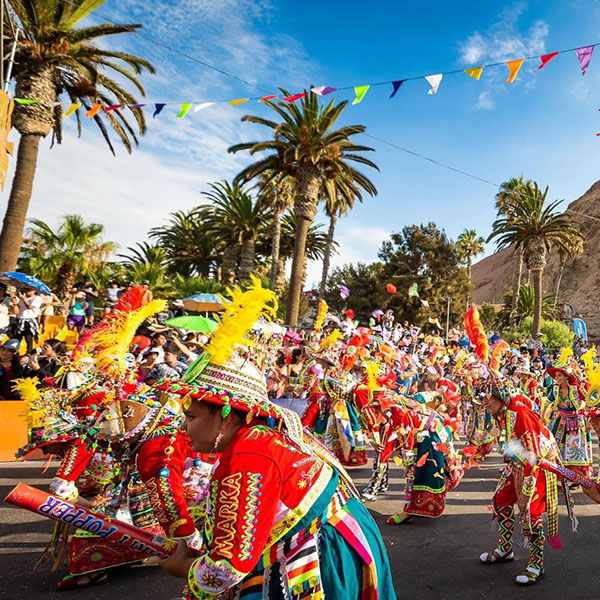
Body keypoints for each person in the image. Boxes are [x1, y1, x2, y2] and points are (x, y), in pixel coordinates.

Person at [157, 278, 396, 600]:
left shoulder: (249, 455)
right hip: (333, 538)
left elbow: (227, 567)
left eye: (191, 417)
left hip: (325, 555)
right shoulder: (259, 437)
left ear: (225, 416)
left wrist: (183, 568)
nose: (184, 428)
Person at [479, 385, 571, 586]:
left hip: (537, 466)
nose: (483, 402)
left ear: (500, 398)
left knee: (530, 513)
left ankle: (536, 566)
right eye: (482, 399)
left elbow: (533, 455)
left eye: (487, 398)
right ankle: (505, 549)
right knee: (500, 500)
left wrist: (527, 490)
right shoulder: (500, 413)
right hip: (518, 463)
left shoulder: (520, 414)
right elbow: (503, 438)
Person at [10, 287, 43, 353]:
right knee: (16, 338)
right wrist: (14, 299)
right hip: (19, 319)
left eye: (29, 289)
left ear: (34, 290)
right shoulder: (22, 298)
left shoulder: (37, 298)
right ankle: (14, 351)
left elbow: (30, 307)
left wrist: (24, 299)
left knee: (28, 338)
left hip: (29, 320)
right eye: (26, 289)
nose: (26, 290)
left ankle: (29, 353)